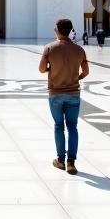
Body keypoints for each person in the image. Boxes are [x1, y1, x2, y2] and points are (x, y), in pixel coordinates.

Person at [39, 18, 89, 175]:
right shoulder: (79, 50)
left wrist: (52, 70)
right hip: (73, 93)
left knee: (59, 126)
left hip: (55, 93)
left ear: (58, 30)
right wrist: (76, 78)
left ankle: (60, 160)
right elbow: (86, 72)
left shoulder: (49, 48)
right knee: (72, 126)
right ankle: (71, 163)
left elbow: (41, 69)